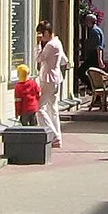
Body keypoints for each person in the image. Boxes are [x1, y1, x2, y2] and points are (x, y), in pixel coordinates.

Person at [34, 20, 66, 148]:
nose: (41, 37)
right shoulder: (58, 42)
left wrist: (38, 45)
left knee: (39, 108)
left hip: (48, 79)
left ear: (46, 33)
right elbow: (64, 60)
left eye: (41, 34)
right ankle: (57, 137)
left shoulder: (50, 45)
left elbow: (39, 59)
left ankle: (53, 135)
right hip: (56, 78)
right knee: (53, 109)